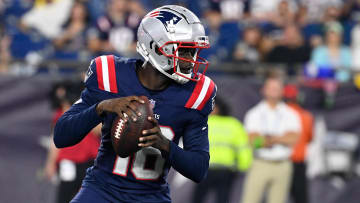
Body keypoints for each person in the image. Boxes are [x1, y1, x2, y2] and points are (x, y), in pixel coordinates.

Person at [53, 5, 216, 203]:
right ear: (157, 47)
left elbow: (199, 170)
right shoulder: (111, 74)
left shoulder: (195, 93)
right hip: (101, 190)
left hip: (151, 197)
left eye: (194, 52)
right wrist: (102, 107)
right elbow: (61, 136)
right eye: (185, 51)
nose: (191, 61)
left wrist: (164, 144)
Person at [241, 75, 301, 203]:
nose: (274, 90)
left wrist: (268, 139)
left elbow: (293, 139)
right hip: (261, 163)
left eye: (277, 88)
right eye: (271, 87)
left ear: (282, 91)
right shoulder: (254, 113)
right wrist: (280, 138)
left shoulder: (291, 114)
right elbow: (253, 141)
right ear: (264, 90)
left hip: (282, 164)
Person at [44, 90, 101, 203]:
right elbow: (55, 140)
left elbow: (98, 130)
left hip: (89, 161)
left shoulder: (88, 112)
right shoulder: (61, 115)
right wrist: (50, 162)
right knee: (65, 195)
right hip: (68, 162)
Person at [192, 97, 252, 203]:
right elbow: (243, 148)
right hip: (222, 170)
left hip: (212, 169)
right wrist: (243, 166)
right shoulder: (233, 124)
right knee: (222, 198)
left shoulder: (201, 123)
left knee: (199, 198)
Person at [283, 84, 314, 203]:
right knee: (301, 198)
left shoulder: (280, 115)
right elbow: (310, 138)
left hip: (281, 161)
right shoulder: (306, 116)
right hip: (297, 162)